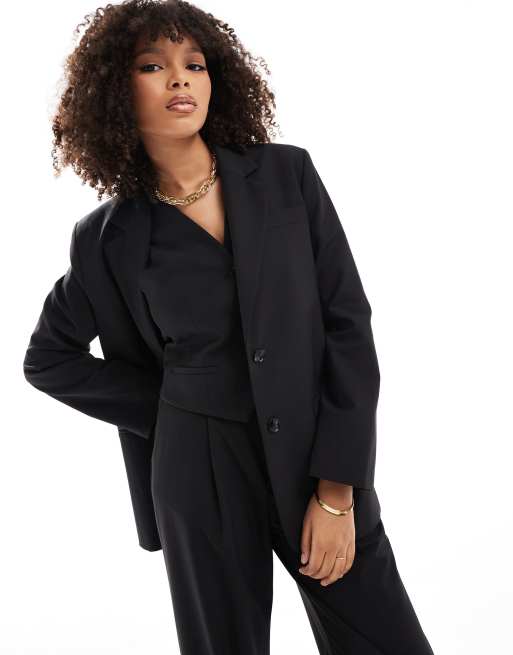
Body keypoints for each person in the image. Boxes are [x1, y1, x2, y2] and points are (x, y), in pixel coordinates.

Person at [23, 1, 435, 653]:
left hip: (314, 457)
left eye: (194, 64)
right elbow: (48, 358)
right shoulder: (108, 237)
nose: (179, 79)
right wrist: (173, 409)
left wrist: (336, 492)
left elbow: (347, 324)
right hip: (198, 474)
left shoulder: (286, 176)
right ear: (113, 92)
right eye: (152, 66)